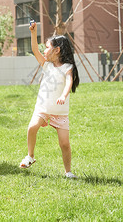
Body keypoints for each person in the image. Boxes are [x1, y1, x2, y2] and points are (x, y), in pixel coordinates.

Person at [19, 21, 80, 178]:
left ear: (57, 50)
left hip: (60, 112)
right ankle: (30, 156)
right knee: (32, 127)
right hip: (43, 108)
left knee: (65, 144)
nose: (44, 50)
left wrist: (63, 96)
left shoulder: (68, 67)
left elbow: (69, 83)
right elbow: (34, 49)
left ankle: (68, 172)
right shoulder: (47, 65)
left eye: (47, 47)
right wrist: (34, 32)